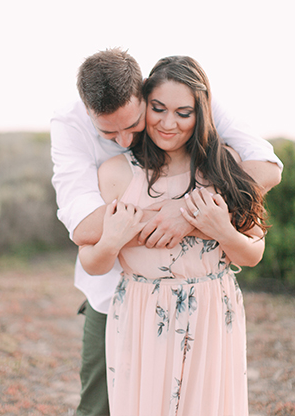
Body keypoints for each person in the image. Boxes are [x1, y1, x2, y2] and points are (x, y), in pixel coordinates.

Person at [50, 48, 282, 416]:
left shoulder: (219, 156)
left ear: (141, 95)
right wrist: (144, 225)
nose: (124, 139)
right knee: (103, 405)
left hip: (208, 310)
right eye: (109, 132)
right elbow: (82, 228)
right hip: (128, 302)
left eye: (132, 124)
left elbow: (269, 170)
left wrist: (194, 215)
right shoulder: (93, 150)